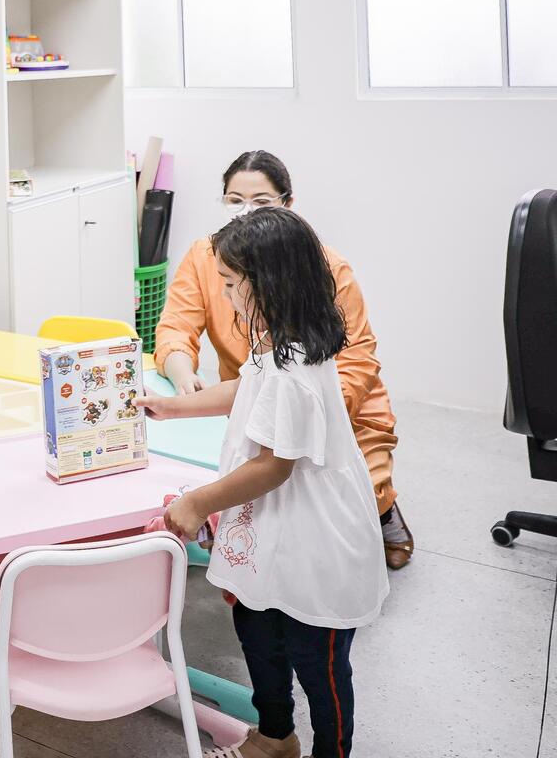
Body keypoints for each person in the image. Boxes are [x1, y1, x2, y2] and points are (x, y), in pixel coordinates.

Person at [148, 208, 389, 758]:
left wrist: (196, 503)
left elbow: (273, 466)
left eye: (231, 284)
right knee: (258, 633)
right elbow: (244, 389)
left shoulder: (296, 366)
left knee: (317, 661)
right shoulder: (280, 342)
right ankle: (273, 737)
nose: (226, 295)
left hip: (313, 540)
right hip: (275, 527)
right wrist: (174, 406)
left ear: (265, 285)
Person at [156, 151, 414, 569]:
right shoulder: (209, 256)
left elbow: (356, 361)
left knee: (331, 500)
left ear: (287, 205)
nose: (245, 212)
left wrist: (305, 412)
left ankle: (380, 510)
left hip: (335, 408)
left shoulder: (320, 269)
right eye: (234, 200)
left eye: (260, 201)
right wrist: (181, 378)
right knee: (262, 497)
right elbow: (176, 326)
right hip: (252, 398)